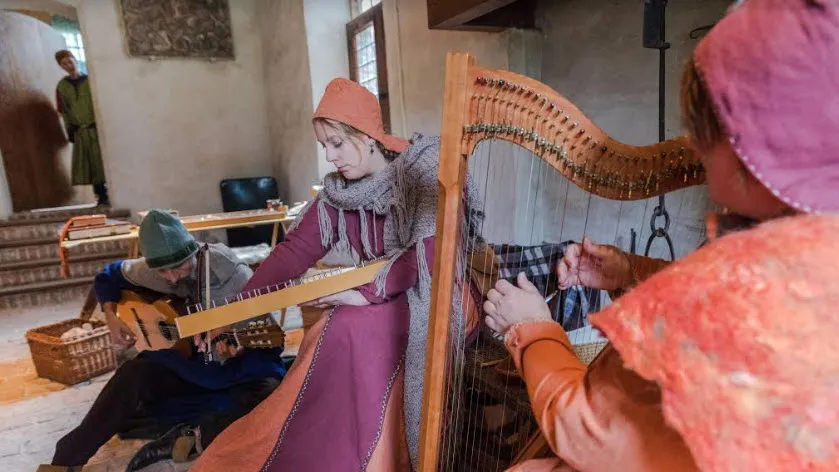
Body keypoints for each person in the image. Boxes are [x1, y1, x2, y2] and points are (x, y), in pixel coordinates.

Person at [483, 0, 839, 470]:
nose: (692, 146)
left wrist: (531, 327)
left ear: (742, 148)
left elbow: (583, 430)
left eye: (701, 130)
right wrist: (632, 271)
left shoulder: (719, 287)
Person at [190, 78, 483, 472]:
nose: (329, 157)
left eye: (337, 143)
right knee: (332, 329)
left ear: (366, 135)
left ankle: (363, 458)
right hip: (378, 299)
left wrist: (360, 293)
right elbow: (292, 253)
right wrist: (230, 312)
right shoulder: (339, 194)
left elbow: (428, 255)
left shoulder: (423, 169)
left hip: (439, 296)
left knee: (346, 326)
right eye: (324, 145)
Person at [46, 209, 286, 472]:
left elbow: (270, 341)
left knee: (272, 397)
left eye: (179, 267)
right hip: (189, 363)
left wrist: (234, 345)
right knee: (133, 373)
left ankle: (188, 435)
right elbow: (109, 274)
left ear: (192, 252)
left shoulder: (232, 276)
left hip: (231, 371)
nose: (172, 278)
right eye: (162, 272)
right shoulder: (153, 270)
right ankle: (66, 459)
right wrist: (110, 314)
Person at [54, 49, 109, 206]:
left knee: (103, 162)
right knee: (90, 165)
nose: (68, 65)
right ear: (61, 66)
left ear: (75, 60)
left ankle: (113, 193)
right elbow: (64, 110)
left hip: (96, 128)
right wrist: (70, 131)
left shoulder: (91, 80)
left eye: (69, 61)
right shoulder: (62, 87)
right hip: (81, 131)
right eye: (64, 63)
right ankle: (101, 197)